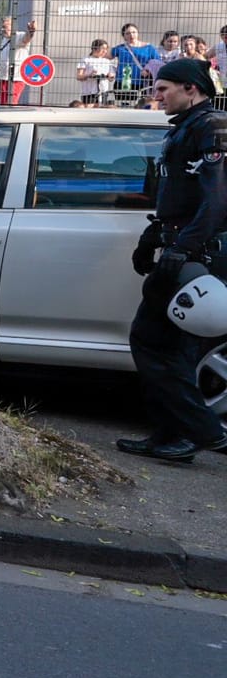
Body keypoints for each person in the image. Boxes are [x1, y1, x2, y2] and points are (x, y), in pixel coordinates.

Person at [120, 58, 227, 462]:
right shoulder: (185, 128)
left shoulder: (212, 127)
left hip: (199, 255)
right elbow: (178, 196)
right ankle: (173, 437)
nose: (156, 95)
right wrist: (154, 236)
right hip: (184, 248)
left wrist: (184, 247)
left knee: (151, 340)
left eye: (164, 88)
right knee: (171, 348)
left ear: (192, 89)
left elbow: (217, 201)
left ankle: (201, 432)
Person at [113, 24, 155, 102]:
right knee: (124, 108)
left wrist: (148, 70)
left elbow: (157, 63)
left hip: (143, 82)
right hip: (124, 82)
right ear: (124, 36)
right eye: (128, 33)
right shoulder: (120, 48)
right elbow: (105, 56)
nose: (131, 35)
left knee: (143, 108)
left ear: (138, 33)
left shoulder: (149, 48)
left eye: (134, 32)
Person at [77, 40, 117, 105]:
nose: (105, 51)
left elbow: (111, 79)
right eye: (103, 48)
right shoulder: (86, 60)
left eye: (106, 49)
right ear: (94, 48)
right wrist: (89, 75)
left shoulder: (107, 61)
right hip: (89, 92)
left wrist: (111, 76)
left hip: (103, 92)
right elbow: (79, 76)